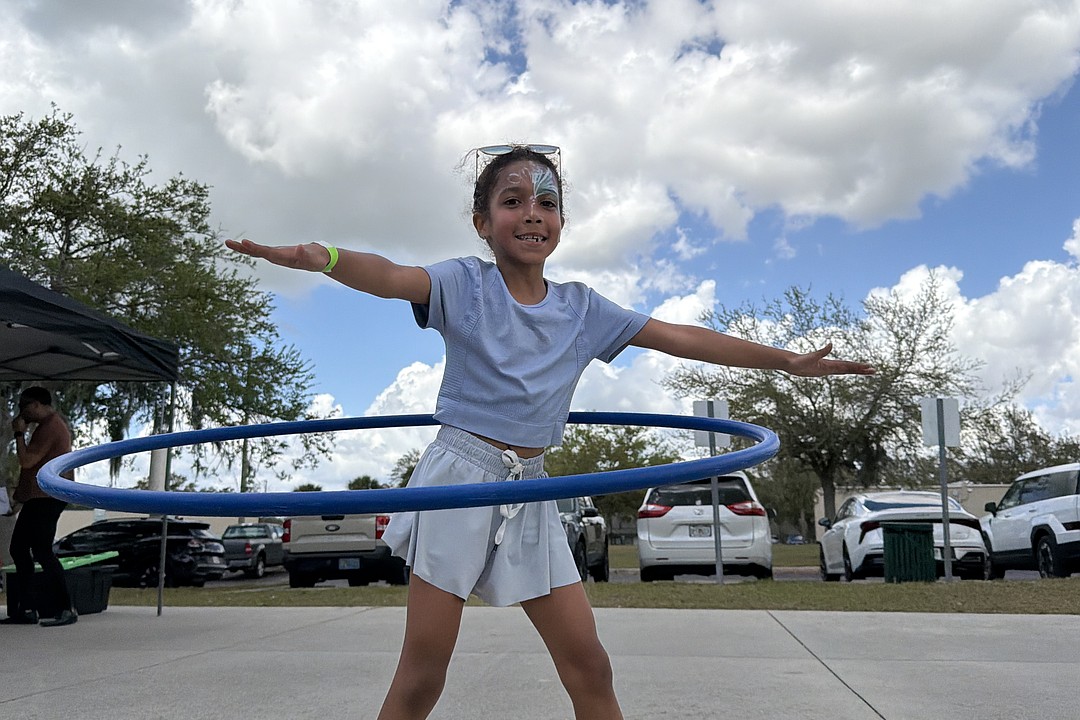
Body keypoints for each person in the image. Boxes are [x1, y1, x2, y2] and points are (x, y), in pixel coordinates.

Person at [226, 144, 874, 719]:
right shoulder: (463, 285)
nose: (532, 211)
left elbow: (679, 337)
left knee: (590, 666)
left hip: (531, 491)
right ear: (484, 223)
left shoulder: (582, 309)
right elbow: (394, 277)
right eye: (512, 200)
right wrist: (325, 258)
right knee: (422, 677)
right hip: (458, 480)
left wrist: (786, 360)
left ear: (561, 221)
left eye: (547, 201)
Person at [2, 387, 77, 627]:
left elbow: (27, 461)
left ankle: (66, 608)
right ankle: (27, 608)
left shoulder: (52, 427)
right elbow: (34, 469)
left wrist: (18, 435)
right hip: (38, 496)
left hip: (49, 497)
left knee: (41, 550)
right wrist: (19, 499)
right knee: (19, 549)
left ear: (36, 405)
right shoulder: (47, 427)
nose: (21, 413)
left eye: (24, 407)